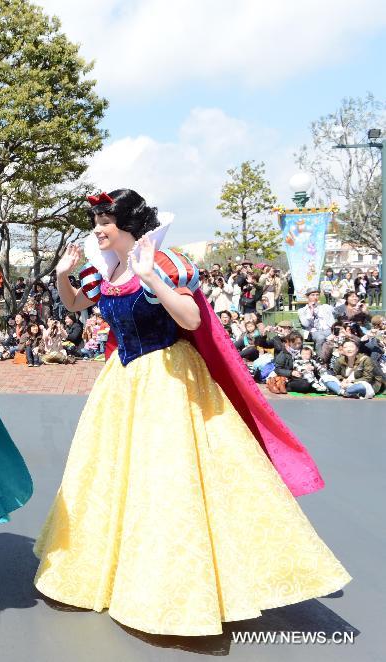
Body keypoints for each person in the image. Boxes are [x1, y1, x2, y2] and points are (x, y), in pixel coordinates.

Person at [34, 188, 349, 636]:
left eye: (105, 221)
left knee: (169, 479)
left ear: (128, 224)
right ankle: (116, 571)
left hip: (167, 379)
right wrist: (64, 276)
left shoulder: (164, 262)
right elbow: (75, 305)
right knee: (113, 478)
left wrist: (151, 278)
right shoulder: (106, 269)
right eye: (96, 221)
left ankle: (180, 587)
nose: (98, 229)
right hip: (123, 382)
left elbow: (191, 319)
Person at [298, 287, 336, 356]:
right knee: (320, 338)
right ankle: (320, 360)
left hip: (329, 330)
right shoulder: (302, 310)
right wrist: (311, 311)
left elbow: (337, 310)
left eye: (317, 295)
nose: (315, 297)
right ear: (307, 297)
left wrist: (336, 298)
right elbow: (305, 324)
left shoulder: (325, 307)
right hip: (314, 332)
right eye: (313, 295)